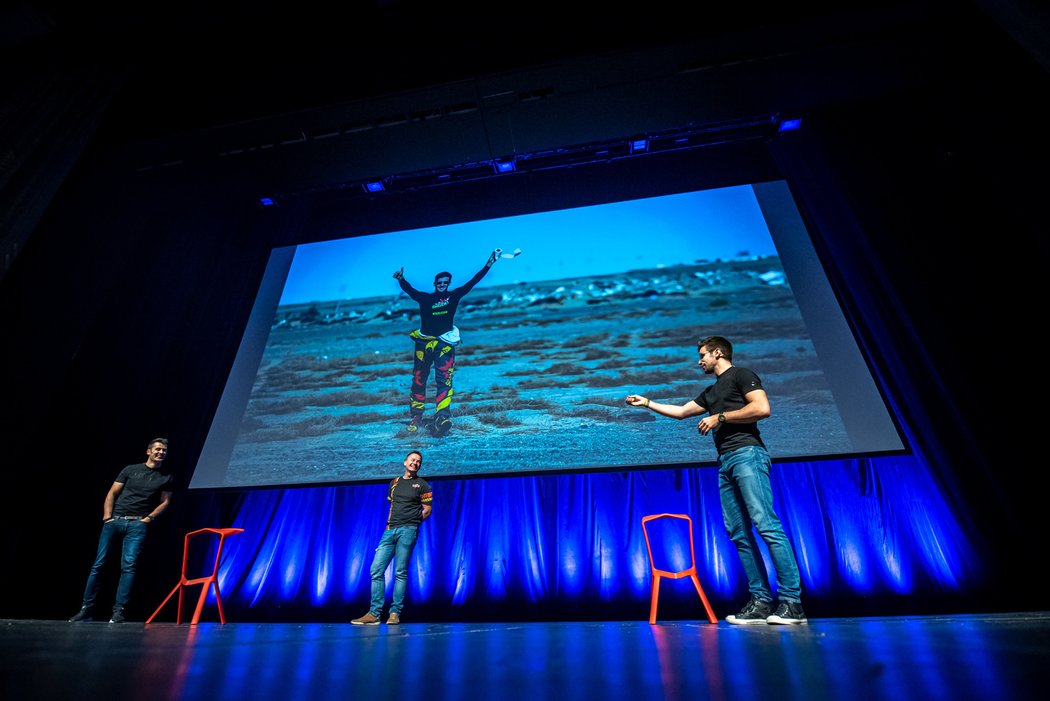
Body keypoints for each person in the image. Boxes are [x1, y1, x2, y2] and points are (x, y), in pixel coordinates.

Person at [625, 336, 806, 625]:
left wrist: (720, 417)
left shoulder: (742, 375)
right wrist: (647, 402)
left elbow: (761, 408)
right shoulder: (711, 391)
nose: (700, 361)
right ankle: (760, 601)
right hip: (726, 462)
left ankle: (792, 603)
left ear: (717, 353)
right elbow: (682, 412)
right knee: (738, 532)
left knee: (766, 525)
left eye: (703, 355)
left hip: (748, 454)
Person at [393, 249, 499, 437]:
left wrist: (489, 263)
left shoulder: (454, 296)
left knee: (445, 381)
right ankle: (416, 416)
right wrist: (401, 279)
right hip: (423, 344)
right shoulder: (425, 298)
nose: (442, 285)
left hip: (445, 344)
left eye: (445, 282)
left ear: (448, 284)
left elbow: (473, 281)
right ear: (435, 284)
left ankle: (442, 417)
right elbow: (410, 290)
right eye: (439, 282)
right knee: (419, 380)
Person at [69, 438, 174, 623]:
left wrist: (148, 519)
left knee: (129, 567)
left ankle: (118, 611)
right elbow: (112, 493)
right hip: (115, 521)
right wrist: (107, 517)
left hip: (137, 526)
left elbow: (165, 502)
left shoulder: (166, 476)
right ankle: (86, 609)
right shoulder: (130, 469)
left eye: (164, 450)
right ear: (148, 451)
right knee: (99, 565)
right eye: (158, 449)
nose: (161, 452)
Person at [351, 450, 433, 625]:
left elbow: (427, 510)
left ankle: (395, 613)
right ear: (405, 462)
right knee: (376, 569)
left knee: (400, 572)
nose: (415, 463)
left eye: (418, 461)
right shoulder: (394, 483)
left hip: (408, 530)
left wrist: (413, 524)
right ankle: (374, 614)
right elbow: (392, 505)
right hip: (390, 530)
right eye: (412, 460)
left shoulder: (423, 485)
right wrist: (389, 526)